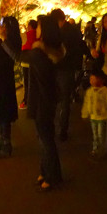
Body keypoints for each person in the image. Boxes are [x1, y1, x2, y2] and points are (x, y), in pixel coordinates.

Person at [26, 14, 65, 192]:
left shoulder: (39, 54)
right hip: (49, 100)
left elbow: (20, 57)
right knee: (44, 138)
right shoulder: (54, 51)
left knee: (46, 139)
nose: (37, 30)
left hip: (42, 101)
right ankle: (45, 171)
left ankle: (53, 176)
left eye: (39, 26)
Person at [51, 8, 89, 141]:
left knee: (60, 100)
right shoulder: (74, 30)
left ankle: (60, 129)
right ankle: (63, 130)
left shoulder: (60, 33)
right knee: (65, 100)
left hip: (61, 68)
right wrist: (89, 54)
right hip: (70, 68)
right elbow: (82, 45)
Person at [0, 16, 22, 158]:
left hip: (5, 81)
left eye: (3, 26)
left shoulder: (13, 41)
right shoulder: (4, 41)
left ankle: (6, 144)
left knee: (4, 113)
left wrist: (3, 40)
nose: (1, 28)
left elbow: (14, 56)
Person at [81, 68, 107, 158]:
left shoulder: (105, 91)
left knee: (101, 135)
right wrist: (85, 113)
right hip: (93, 117)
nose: (91, 81)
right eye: (91, 79)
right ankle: (95, 149)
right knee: (95, 135)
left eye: (93, 79)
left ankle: (101, 150)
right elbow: (86, 102)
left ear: (101, 80)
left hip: (102, 117)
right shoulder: (89, 91)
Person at [19, 19, 38, 110]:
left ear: (30, 26)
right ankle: (35, 101)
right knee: (34, 82)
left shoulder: (25, 35)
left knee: (27, 83)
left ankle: (26, 101)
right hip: (36, 63)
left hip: (26, 63)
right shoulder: (39, 35)